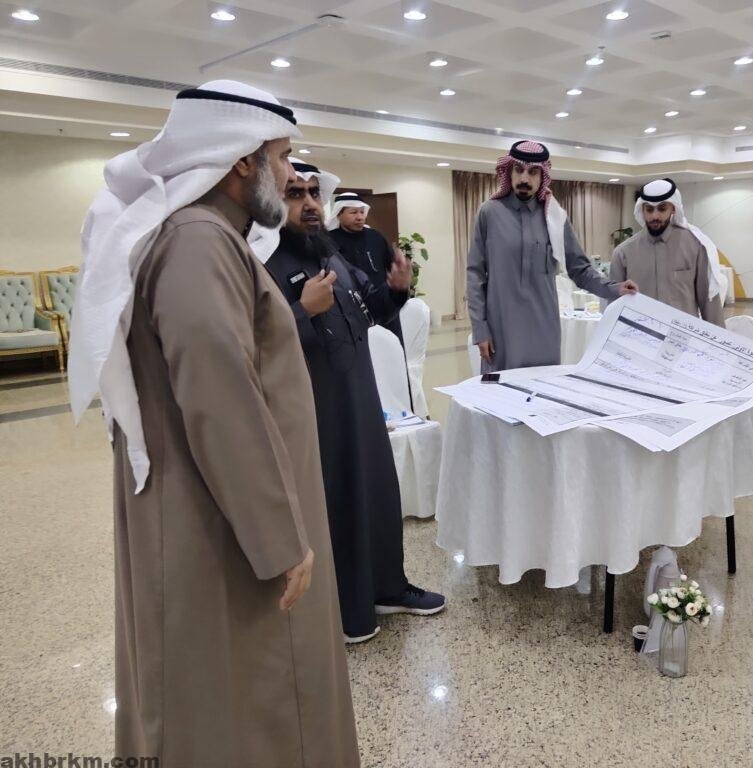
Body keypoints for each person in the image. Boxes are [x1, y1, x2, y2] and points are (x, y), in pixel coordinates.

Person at [67, 82, 359, 766]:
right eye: (281, 158)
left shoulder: (205, 236)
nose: (290, 175)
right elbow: (218, 393)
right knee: (243, 696)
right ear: (241, 160)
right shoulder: (198, 241)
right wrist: (279, 538)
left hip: (218, 507)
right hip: (215, 520)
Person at [259, 159, 445, 644]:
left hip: (362, 404)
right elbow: (251, 346)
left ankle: (388, 588)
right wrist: (302, 311)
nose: (309, 204)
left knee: (378, 497)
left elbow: (370, 312)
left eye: (313, 194)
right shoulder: (262, 266)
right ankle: (348, 610)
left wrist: (397, 290)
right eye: (295, 194)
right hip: (317, 415)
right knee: (338, 507)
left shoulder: (331, 257)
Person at [466, 140, 638, 372]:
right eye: (519, 170)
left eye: (533, 172)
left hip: (543, 331)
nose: (524, 178)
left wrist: (614, 289)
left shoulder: (554, 217)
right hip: (501, 328)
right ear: (509, 171)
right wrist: (480, 329)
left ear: (542, 176)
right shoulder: (489, 213)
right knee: (500, 390)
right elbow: (475, 275)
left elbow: (579, 269)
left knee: (541, 389)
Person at [609, 178, 725, 326]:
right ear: (642, 210)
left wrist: (718, 339)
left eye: (662, 209)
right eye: (649, 209)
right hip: (641, 334)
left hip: (682, 334)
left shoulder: (695, 245)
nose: (655, 216)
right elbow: (614, 304)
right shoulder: (623, 253)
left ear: (673, 208)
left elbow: (709, 301)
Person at [328, 191, 406, 345]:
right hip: (351, 311)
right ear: (339, 214)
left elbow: (391, 266)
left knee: (392, 349)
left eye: (362, 212)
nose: (360, 217)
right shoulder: (329, 240)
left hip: (384, 306)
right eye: (353, 212)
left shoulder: (376, 237)